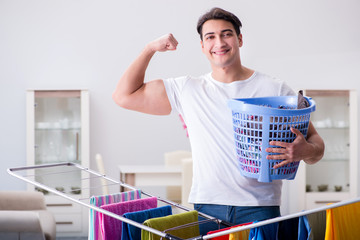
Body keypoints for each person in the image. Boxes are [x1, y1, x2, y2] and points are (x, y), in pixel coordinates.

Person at [112, 7, 324, 234]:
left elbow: (317, 145)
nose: (219, 42)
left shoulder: (275, 88)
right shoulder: (187, 89)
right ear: (202, 46)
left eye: (227, 34)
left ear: (239, 39)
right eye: (210, 37)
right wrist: (149, 49)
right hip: (207, 208)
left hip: (260, 207)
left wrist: (305, 151)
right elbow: (124, 96)